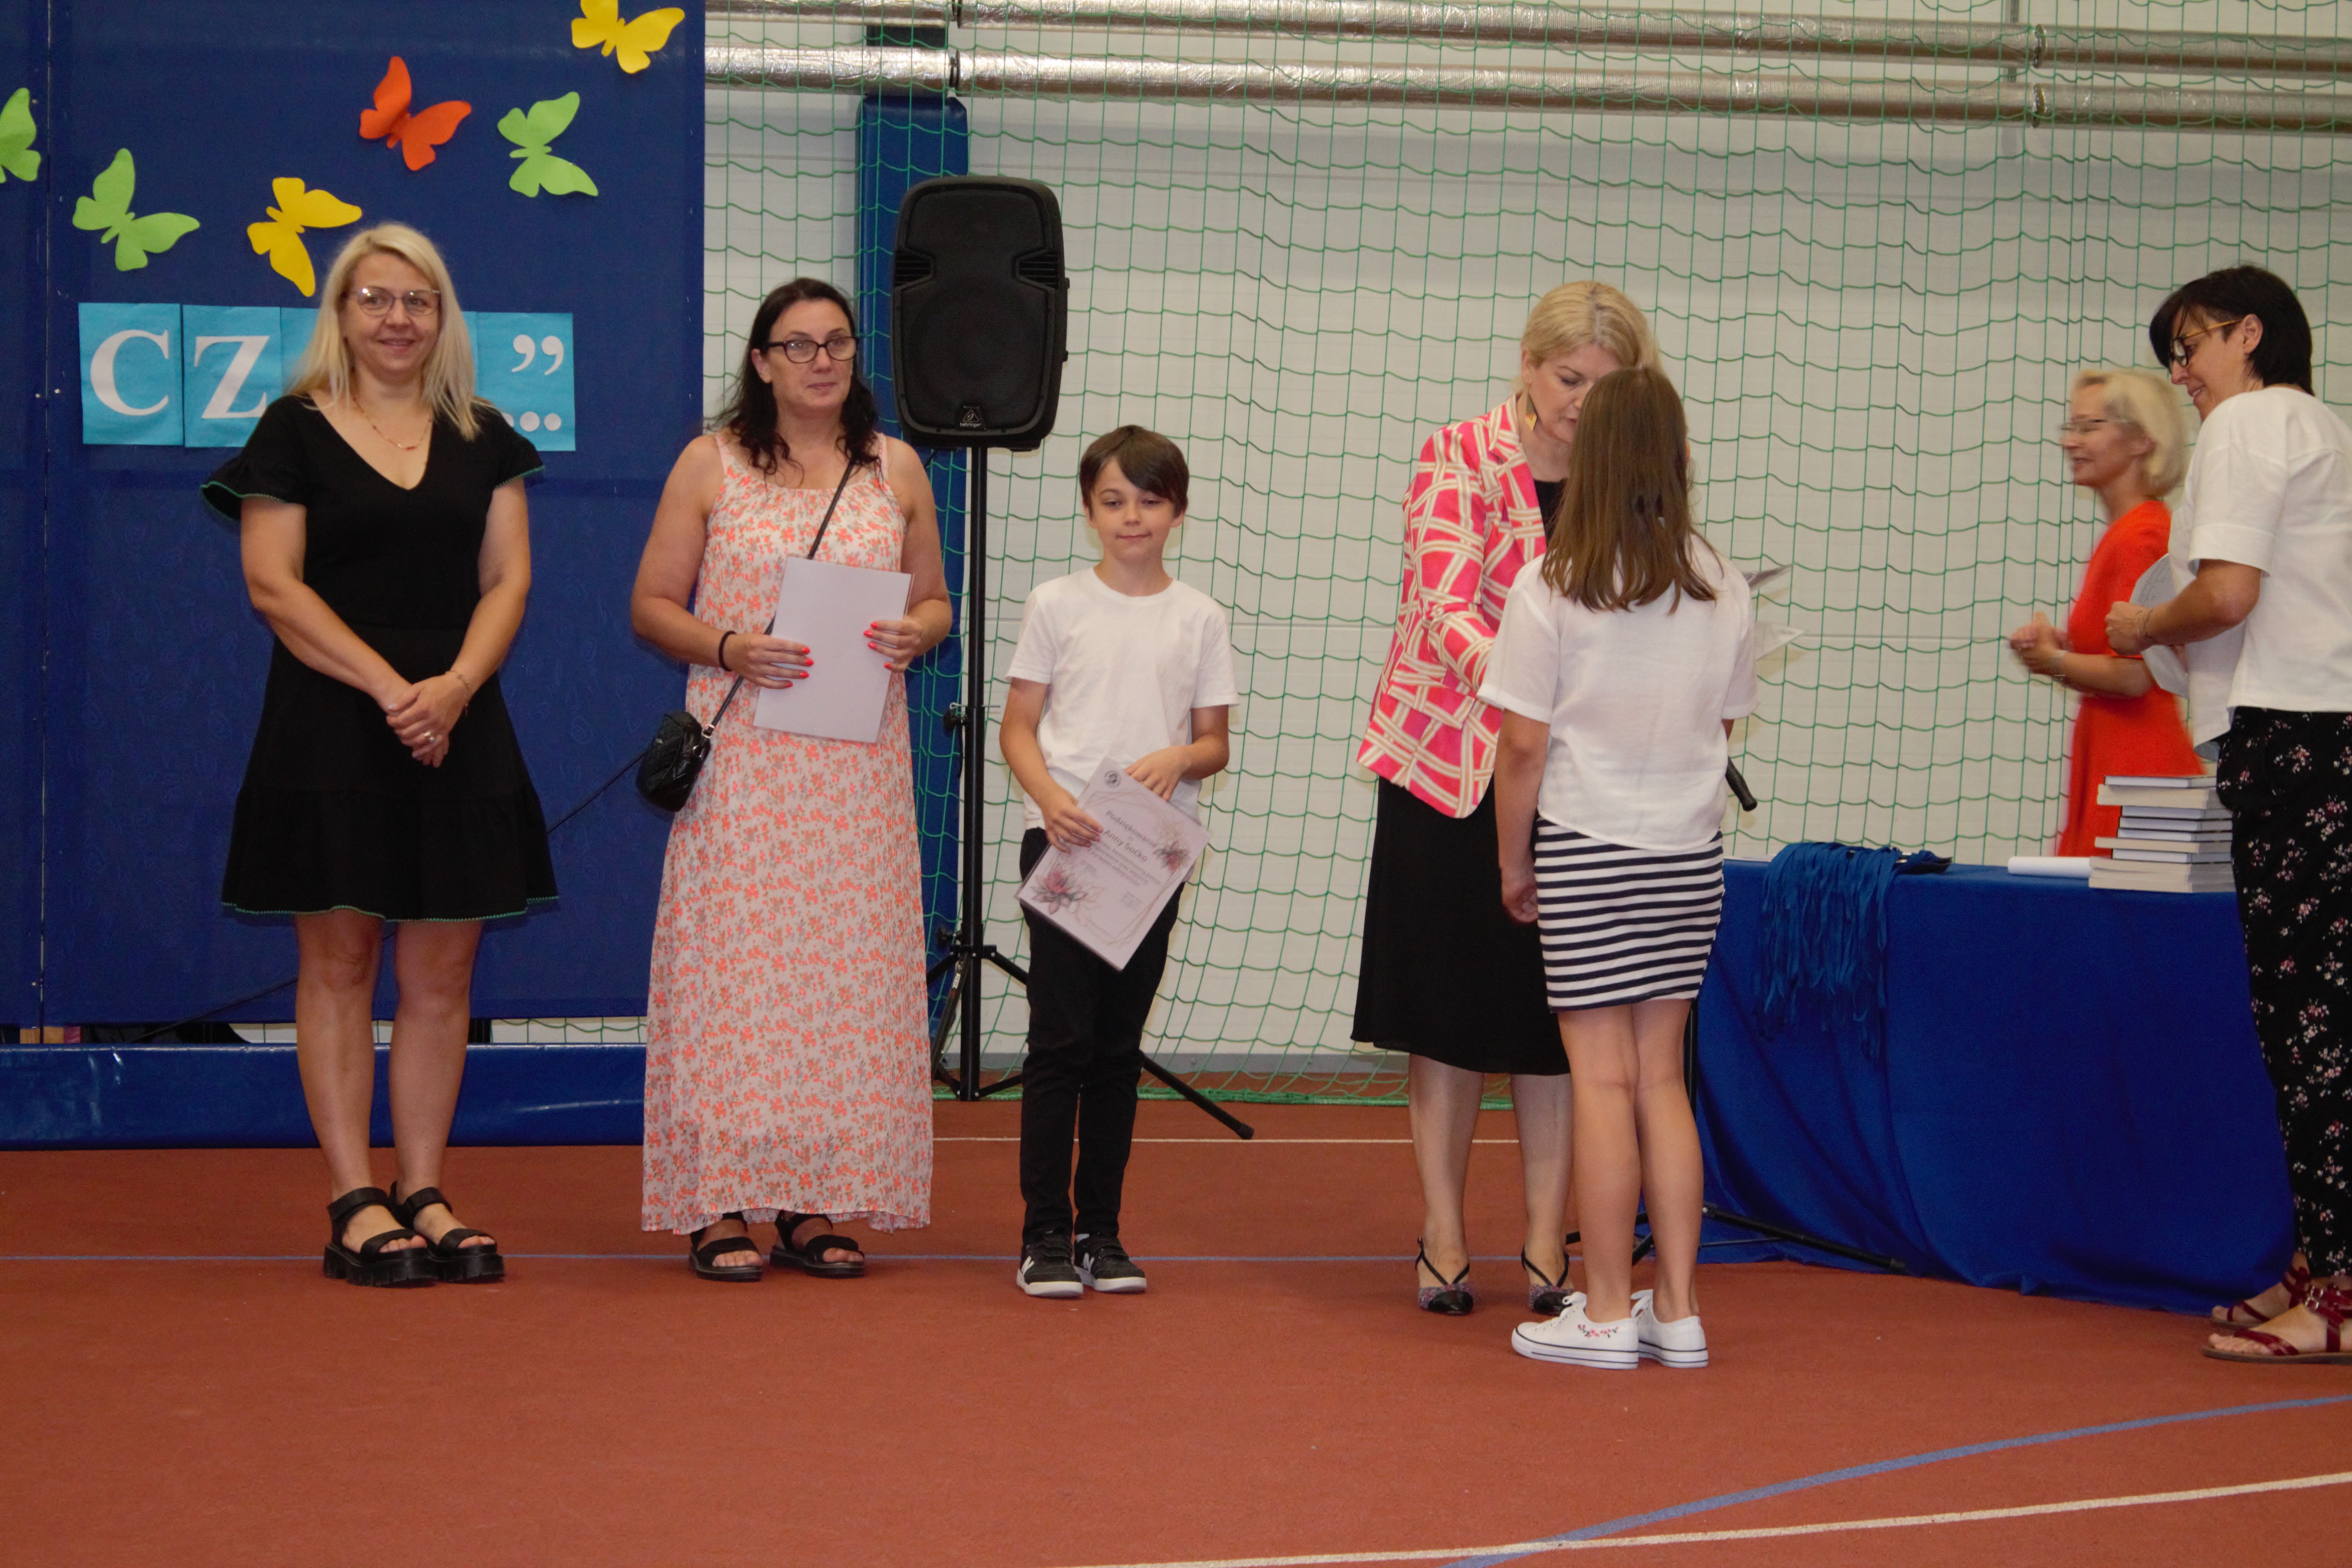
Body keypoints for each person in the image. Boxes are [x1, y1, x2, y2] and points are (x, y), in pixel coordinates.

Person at [203, 223, 553, 1288]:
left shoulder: (486, 434)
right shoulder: (292, 429)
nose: (397, 318)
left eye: (417, 300)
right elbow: (273, 584)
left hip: (457, 721)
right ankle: (354, 1199)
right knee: (341, 963)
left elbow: (508, 581)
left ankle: (425, 1189)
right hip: (332, 722)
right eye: (375, 299)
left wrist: (451, 688)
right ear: (341, 314)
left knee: (443, 975)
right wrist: (392, 687)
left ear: (442, 317)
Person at [630, 279, 952, 1282]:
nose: (823, 361)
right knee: (735, 976)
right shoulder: (711, 462)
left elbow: (938, 601)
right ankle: (719, 1200)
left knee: (837, 982)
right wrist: (732, 645)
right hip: (746, 768)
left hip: (856, 772)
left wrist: (917, 631)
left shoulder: (894, 466)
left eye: (838, 343)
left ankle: (813, 1199)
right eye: (800, 345)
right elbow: (651, 605)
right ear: (762, 362)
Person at [1354, 279, 1660, 1315]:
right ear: (1527, 367)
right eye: (1568, 379)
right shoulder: (1457, 455)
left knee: (1554, 1019)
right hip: (1447, 773)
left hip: (1575, 785)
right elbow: (1445, 605)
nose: (1582, 403)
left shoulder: (1629, 478)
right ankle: (1443, 1230)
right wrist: (1547, 685)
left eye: (1604, 387)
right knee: (1444, 1019)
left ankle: (1542, 1238)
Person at [1483, 366, 1757, 1370]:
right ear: (1677, 459)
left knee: (1598, 1082)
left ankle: (1603, 1309)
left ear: (1591, 460)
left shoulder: (1552, 582)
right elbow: (1721, 726)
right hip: (1687, 855)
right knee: (1660, 1080)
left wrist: (1513, 861)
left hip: (1589, 848)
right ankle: (1674, 1309)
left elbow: (1522, 745)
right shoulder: (1721, 582)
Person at [2107, 266, 2352, 1363]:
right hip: (2315, 737)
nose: (2182, 371)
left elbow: (2227, 593)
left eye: (2193, 344)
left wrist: (2141, 623)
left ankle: (2337, 1287)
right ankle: (2324, 1257)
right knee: (2310, 1020)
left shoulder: (2253, 420)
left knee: (2312, 1026)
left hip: (2299, 743)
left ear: (2251, 334)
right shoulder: (2315, 426)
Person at [998, 426, 1237, 1298]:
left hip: (1150, 858)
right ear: (1089, 509)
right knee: (1059, 1042)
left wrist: (1180, 758)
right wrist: (1050, 800)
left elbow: (1214, 744)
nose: (1132, 517)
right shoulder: (1056, 603)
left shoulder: (1200, 617)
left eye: (1149, 500)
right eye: (1113, 500)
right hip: (1066, 846)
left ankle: (1101, 1233)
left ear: (1178, 510)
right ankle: (1044, 1237)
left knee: (1116, 1048)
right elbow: (1018, 728)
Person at [2007, 368, 2202, 852]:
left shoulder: (2142, 535)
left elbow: (2135, 676)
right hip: (2119, 762)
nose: (2071, 441)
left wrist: (2053, 661)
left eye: (2090, 427)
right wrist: (2063, 648)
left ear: (2142, 440)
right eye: (2070, 427)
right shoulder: (2128, 533)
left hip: (2136, 772)